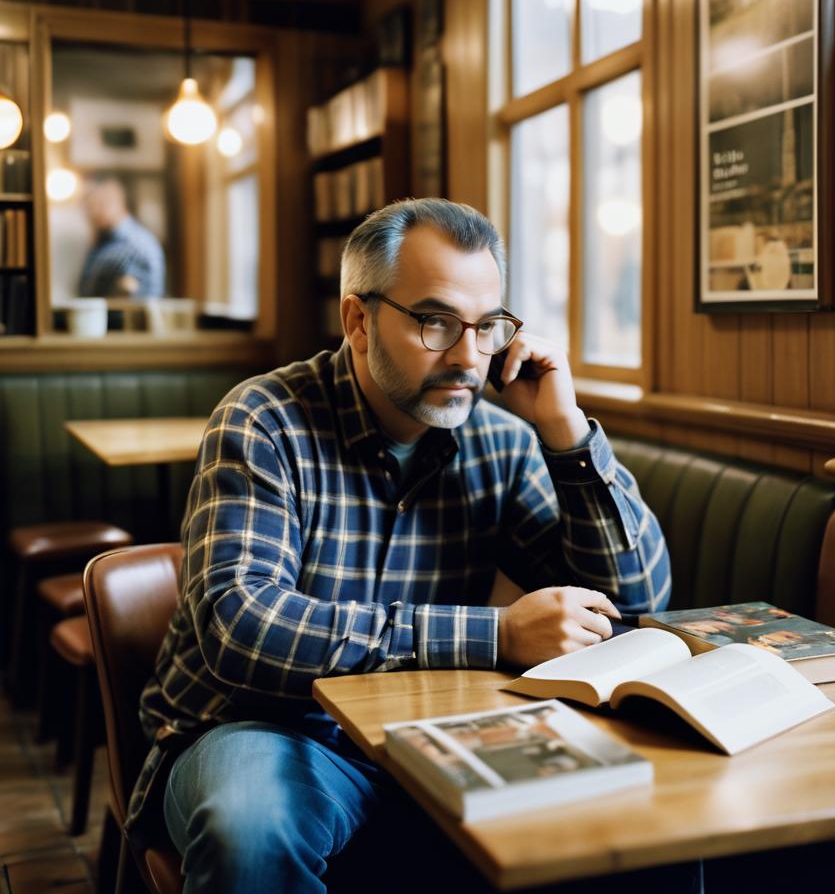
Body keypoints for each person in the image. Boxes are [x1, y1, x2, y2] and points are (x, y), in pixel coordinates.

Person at [130, 198, 671, 893]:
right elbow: (242, 629)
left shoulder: (501, 442)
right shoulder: (263, 421)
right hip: (265, 728)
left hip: (438, 729)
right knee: (252, 833)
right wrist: (495, 634)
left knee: (622, 824)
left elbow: (636, 601)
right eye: (436, 322)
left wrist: (566, 435)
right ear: (358, 320)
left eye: (487, 328)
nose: (468, 357)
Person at [78, 176, 165, 298]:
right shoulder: (105, 240)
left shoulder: (132, 245)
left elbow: (131, 296)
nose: (90, 213)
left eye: (93, 204)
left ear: (113, 200)